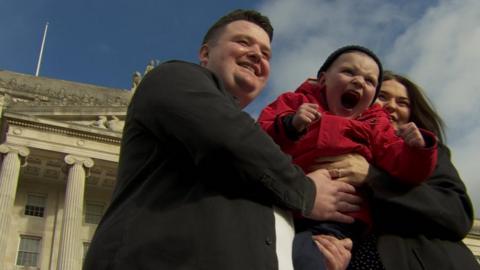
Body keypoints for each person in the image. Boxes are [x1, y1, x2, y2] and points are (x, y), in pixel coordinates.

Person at [83, 9, 360, 270]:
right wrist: (307, 192)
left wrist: (314, 255)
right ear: (205, 53)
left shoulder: (256, 156)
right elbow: (231, 140)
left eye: (266, 53)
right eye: (243, 42)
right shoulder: (174, 77)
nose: (256, 55)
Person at [257, 46, 438, 270]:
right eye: (349, 72)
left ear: (372, 100)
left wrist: (418, 150)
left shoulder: (375, 124)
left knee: (307, 258)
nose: (359, 82)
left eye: (370, 81)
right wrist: (290, 125)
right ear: (322, 80)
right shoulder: (295, 102)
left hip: (336, 219)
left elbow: (403, 166)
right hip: (283, 205)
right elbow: (258, 139)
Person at [311, 70, 479, 269]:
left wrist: (371, 177)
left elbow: (457, 214)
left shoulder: (426, 154)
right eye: (382, 97)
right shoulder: (328, 145)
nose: (391, 106)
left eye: (402, 102)